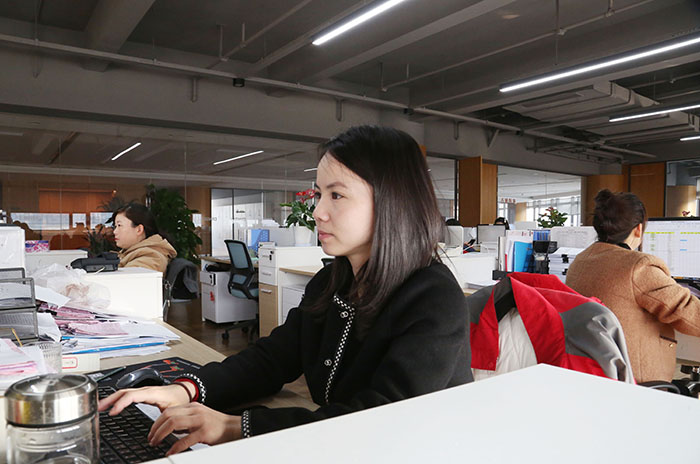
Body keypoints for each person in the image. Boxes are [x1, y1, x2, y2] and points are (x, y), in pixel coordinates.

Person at [99, 125, 472, 455]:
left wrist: (235, 426)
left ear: (392, 202)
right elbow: (272, 359)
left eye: (337, 195)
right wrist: (185, 390)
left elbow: (379, 420)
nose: (318, 212)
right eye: (319, 194)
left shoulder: (433, 298)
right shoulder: (332, 281)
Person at [566, 189, 700, 383]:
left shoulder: (581, 260)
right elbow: (687, 312)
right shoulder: (638, 266)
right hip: (634, 378)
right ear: (638, 229)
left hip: (596, 374)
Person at [112, 203, 176, 273]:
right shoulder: (130, 254)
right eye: (115, 226)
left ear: (139, 229)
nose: (115, 232)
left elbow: (127, 279)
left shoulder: (151, 258)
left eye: (119, 225)